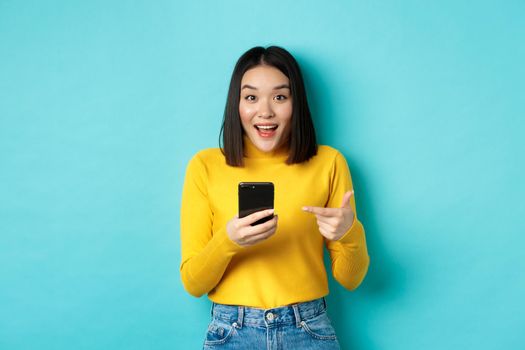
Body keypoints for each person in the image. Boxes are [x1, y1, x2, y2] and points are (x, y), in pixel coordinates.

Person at [180, 46, 369, 349]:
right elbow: (193, 283)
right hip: (232, 331)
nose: (265, 111)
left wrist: (349, 233)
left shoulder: (328, 163)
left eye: (280, 97)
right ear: (236, 104)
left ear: (296, 103)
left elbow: (351, 279)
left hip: (308, 328)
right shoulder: (205, 166)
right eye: (251, 97)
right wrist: (229, 240)